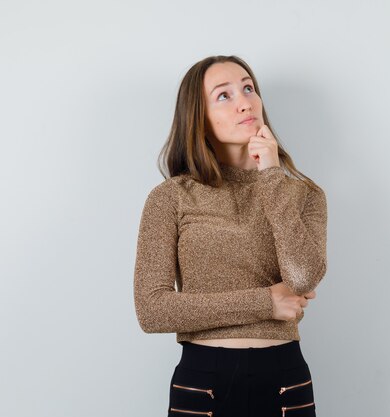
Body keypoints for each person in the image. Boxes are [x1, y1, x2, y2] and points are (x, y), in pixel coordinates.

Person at [133, 55, 328, 417]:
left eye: (249, 88)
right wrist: (266, 303)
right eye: (224, 95)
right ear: (199, 119)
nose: (245, 102)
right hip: (202, 380)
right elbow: (152, 310)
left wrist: (271, 175)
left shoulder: (304, 195)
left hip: (285, 378)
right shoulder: (171, 198)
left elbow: (302, 276)